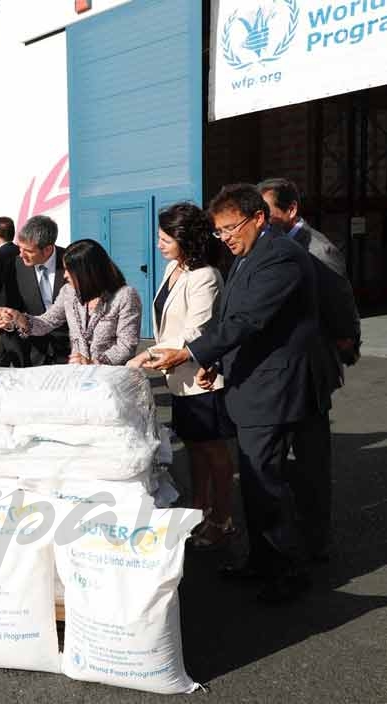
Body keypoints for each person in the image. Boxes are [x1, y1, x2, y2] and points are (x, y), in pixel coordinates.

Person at [145, 184, 332, 604]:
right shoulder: (248, 257)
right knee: (254, 481)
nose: (225, 237)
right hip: (253, 383)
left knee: (267, 481)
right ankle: (262, 561)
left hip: (274, 388)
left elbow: (248, 320)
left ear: (259, 219)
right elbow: (231, 320)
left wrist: (192, 352)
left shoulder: (280, 256)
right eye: (219, 231)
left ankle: (288, 572)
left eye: (231, 228)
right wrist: (213, 362)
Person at [258, 177, 361, 560]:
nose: (261, 220)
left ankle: (316, 540)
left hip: (311, 369)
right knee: (286, 459)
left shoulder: (318, 249)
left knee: (312, 458)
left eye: (266, 212)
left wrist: (342, 349)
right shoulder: (273, 245)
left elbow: (341, 308)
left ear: (292, 210)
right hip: (282, 371)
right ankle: (292, 529)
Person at [127, 202, 236, 548]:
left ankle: (223, 518)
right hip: (178, 379)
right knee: (194, 449)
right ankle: (199, 512)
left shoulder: (205, 276)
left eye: (165, 238)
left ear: (186, 239)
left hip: (201, 377)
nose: (159, 244)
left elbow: (195, 331)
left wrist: (148, 353)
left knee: (214, 453)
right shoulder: (172, 268)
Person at [0, 239, 141, 366]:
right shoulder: (69, 292)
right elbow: (47, 322)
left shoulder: (125, 296)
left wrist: (94, 362)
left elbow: (126, 346)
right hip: (78, 377)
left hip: (111, 380)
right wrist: (19, 318)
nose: (65, 275)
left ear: (88, 273)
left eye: (69, 271)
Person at [0, 215, 69, 367]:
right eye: (20, 248)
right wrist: (8, 321)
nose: (21, 254)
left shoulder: (71, 262)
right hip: (32, 354)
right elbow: (11, 307)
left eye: (28, 250)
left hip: (70, 354)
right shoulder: (15, 266)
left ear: (48, 249)